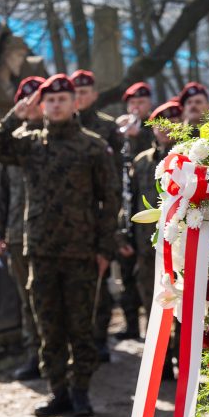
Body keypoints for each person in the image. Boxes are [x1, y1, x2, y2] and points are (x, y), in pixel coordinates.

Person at [0, 74, 119, 417]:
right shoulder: (29, 143)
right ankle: (58, 391)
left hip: (82, 252)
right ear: (42, 104)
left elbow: (110, 200)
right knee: (48, 326)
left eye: (63, 99)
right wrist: (17, 113)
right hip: (40, 251)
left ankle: (81, 391)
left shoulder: (92, 146)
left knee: (80, 326)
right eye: (50, 100)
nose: (56, 105)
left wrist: (105, 249)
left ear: (75, 103)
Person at [0, 76, 44, 380]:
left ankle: (63, 359)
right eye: (27, 100)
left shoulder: (57, 138)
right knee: (27, 301)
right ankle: (34, 355)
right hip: (17, 235)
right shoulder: (11, 146)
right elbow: (1, 195)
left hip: (53, 238)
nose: (33, 106)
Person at [71, 69, 123, 361]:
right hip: (69, 215)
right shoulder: (61, 125)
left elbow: (115, 174)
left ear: (93, 94)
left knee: (100, 280)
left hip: (99, 212)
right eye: (75, 92)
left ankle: (100, 338)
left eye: (85, 91)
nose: (80, 97)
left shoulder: (107, 127)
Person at [130, 97, 181, 379]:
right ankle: (160, 366)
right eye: (161, 123)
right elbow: (131, 200)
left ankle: (180, 359)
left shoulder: (191, 158)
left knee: (181, 307)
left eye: (174, 121)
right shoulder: (141, 163)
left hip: (182, 247)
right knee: (152, 303)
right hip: (148, 247)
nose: (167, 128)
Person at [115, 82, 154, 340]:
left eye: (141, 102)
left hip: (147, 212)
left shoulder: (154, 128)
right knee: (126, 273)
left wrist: (136, 137)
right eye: (132, 102)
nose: (136, 107)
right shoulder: (121, 130)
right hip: (125, 209)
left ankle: (152, 329)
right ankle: (131, 325)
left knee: (146, 276)